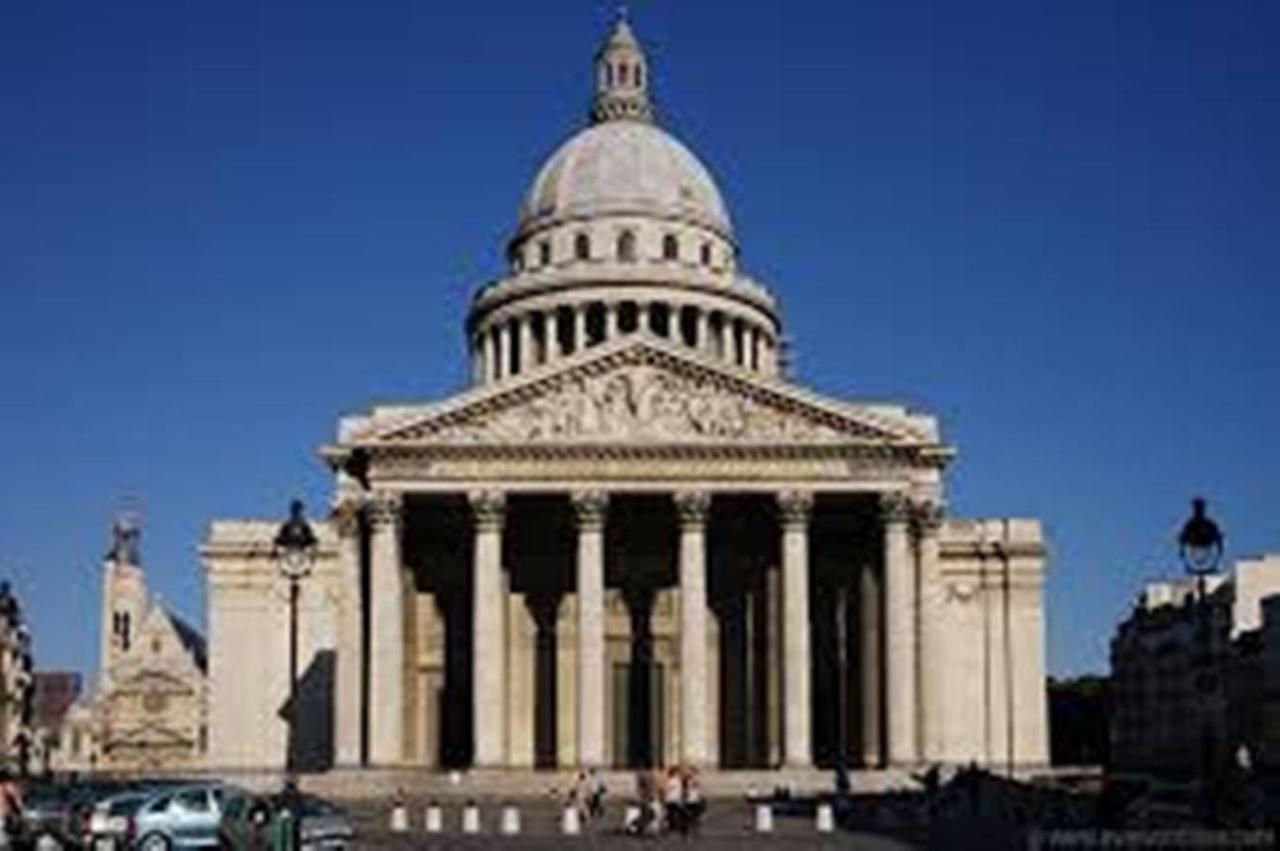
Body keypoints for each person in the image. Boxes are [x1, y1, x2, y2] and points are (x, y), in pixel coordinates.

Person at [0, 770, 23, 849]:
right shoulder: (7, 786)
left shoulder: (7, 786)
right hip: (4, 816)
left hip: (5, 816)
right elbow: (18, 799)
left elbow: (17, 799)